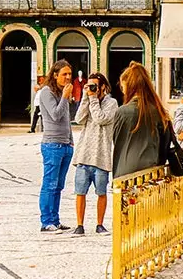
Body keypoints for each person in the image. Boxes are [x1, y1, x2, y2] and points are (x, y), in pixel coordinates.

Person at [71, 72, 117, 236]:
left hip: (101, 155)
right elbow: (78, 118)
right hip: (84, 155)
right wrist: (85, 97)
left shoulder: (112, 103)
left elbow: (100, 118)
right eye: (89, 85)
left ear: (103, 86)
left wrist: (93, 99)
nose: (91, 89)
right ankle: (79, 224)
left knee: (101, 192)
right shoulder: (89, 100)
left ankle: (100, 224)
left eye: (94, 86)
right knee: (80, 192)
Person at [36, 61, 77, 233]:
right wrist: (65, 97)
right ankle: (46, 221)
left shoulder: (62, 93)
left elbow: (66, 120)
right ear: (55, 75)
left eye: (69, 74)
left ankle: (55, 218)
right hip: (52, 144)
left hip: (65, 144)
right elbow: (55, 115)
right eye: (64, 74)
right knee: (50, 184)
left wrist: (70, 140)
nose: (68, 77)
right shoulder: (47, 92)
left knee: (59, 185)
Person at [112, 63, 167, 178]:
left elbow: (118, 141)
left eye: (123, 87)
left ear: (129, 86)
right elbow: (164, 144)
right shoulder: (158, 110)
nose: (123, 91)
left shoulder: (122, 112)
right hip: (151, 171)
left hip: (125, 171)